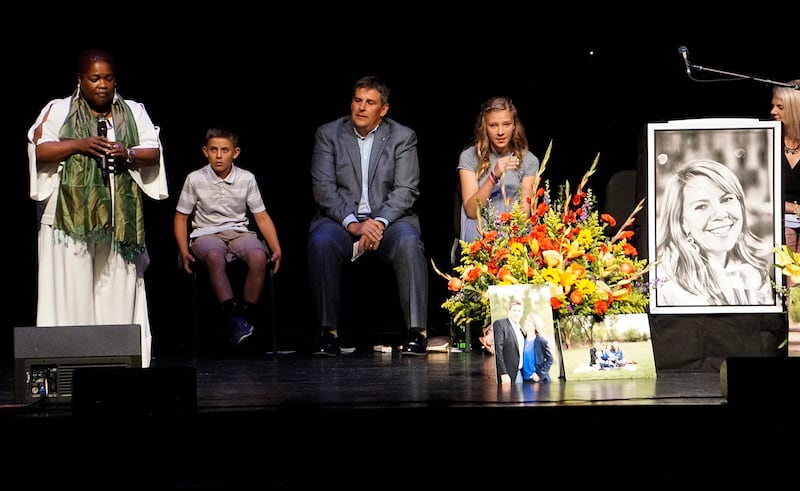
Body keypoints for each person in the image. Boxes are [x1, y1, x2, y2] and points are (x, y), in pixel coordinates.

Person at [26, 49, 167, 368]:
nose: (102, 84)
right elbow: (42, 149)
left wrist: (126, 152)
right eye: (94, 78)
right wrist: (79, 144)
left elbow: (152, 152)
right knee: (70, 295)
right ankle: (69, 367)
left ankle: (116, 365)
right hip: (68, 219)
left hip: (120, 221)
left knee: (116, 295)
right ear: (80, 80)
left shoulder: (132, 111)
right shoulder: (58, 109)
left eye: (108, 77)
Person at [308, 75, 429, 356]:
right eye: (357, 100)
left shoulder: (402, 136)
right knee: (321, 242)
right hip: (342, 220)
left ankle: (416, 332)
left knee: (409, 242)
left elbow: (406, 189)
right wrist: (353, 224)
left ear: (383, 110)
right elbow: (323, 189)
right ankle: (328, 332)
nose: (362, 108)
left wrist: (377, 223)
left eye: (370, 103)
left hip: (389, 221)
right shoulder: (328, 134)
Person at [174, 127, 282, 347]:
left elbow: (260, 216)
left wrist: (276, 247)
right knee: (214, 256)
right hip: (206, 233)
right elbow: (181, 218)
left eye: (225, 150)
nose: (219, 155)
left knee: (258, 256)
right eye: (214, 150)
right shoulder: (195, 178)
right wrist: (184, 251)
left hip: (239, 232)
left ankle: (246, 317)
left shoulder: (246, 178)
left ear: (236, 152)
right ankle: (234, 319)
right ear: (206, 152)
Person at [655, 159, 774, 306]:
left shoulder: (757, 269)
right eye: (701, 206)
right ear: (681, 222)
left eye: (727, 199)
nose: (720, 214)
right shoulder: (665, 284)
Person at [457, 96, 540, 243]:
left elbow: (525, 211)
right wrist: (494, 175)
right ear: (485, 127)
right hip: (479, 231)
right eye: (493, 125)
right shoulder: (469, 157)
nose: (500, 132)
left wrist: (507, 236)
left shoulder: (529, 160)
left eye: (506, 124)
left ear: (514, 125)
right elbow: (471, 211)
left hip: (513, 232)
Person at [772, 80, 800, 284]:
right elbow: (762, 193)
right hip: (780, 220)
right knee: (790, 281)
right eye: (773, 105)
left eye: (780, 107)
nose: (772, 111)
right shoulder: (769, 140)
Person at [493, 299, 525, 384]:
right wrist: (503, 373)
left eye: (519, 311)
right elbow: (498, 351)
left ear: (522, 314)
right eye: (514, 310)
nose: (517, 313)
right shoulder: (500, 324)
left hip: (521, 372)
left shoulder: (521, 329)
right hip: (508, 374)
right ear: (509, 311)